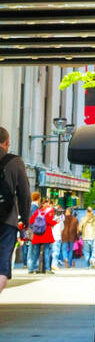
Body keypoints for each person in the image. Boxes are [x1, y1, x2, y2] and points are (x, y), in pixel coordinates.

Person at [0, 125, 32, 297]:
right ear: (6, 142)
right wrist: (25, 222)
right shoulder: (15, 161)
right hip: (7, 221)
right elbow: (25, 195)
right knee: (2, 267)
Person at [27, 197, 56, 274]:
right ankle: (47, 269)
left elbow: (31, 220)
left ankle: (31, 269)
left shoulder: (38, 211)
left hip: (37, 235)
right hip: (46, 234)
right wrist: (56, 221)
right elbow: (50, 221)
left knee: (35, 252)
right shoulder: (50, 211)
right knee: (46, 252)